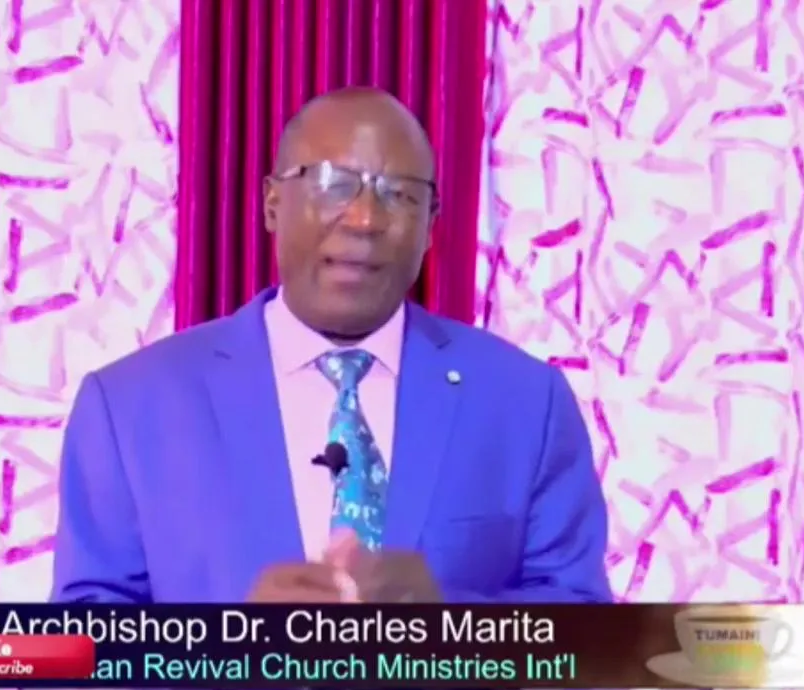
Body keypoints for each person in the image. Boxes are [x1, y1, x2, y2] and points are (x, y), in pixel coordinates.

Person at [50, 87, 612, 605]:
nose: (365, 219)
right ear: (272, 203)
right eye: (333, 184)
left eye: (400, 195)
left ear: (430, 225)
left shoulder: (524, 403)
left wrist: (451, 630)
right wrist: (229, 643)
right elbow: (78, 646)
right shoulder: (129, 406)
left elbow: (587, 634)